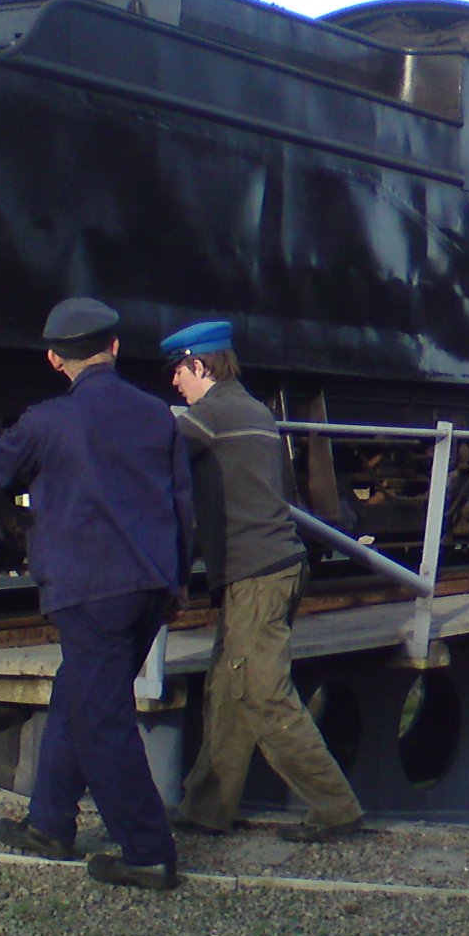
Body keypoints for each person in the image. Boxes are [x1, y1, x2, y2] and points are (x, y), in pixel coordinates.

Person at [0, 298, 192, 891]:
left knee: (101, 720)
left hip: (90, 591)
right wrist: (178, 582)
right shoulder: (158, 416)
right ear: (114, 349)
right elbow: (182, 507)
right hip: (148, 586)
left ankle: (146, 851)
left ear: (54, 359)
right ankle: (49, 823)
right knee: (78, 696)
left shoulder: (47, 421)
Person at [162, 318, 364, 843]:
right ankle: (207, 809)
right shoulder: (252, 410)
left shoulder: (212, 415)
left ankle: (336, 807)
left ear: (199, 365)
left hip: (256, 575)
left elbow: (157, 451)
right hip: (268, 569)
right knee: (230, 690)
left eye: (178, 371)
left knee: (263, 694)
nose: (175, 383)